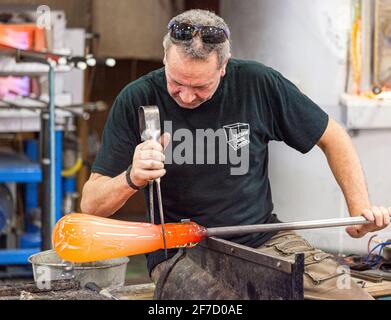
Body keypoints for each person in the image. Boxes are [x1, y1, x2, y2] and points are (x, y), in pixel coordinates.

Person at [80, 9, 390, 300]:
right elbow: (92, 205)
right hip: (180, 251)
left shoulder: (258, 84)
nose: (187, 96)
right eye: (176, 82)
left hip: (263, 240)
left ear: (224, 67)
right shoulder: (137, 98)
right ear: (164, 57)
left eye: (201, 86)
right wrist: (131, 178)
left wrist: (358, 207)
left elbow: (333, 136)